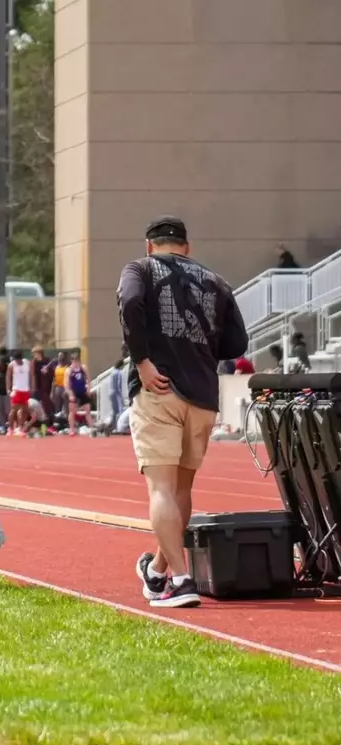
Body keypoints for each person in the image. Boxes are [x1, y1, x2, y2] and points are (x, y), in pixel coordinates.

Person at [118, 215, 247, 609]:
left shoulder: (140, 268)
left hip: (160, 388)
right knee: (181, 491)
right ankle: (158, 570)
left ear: (149, 245)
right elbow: (236, 342)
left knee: (160, 489)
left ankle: (180, 578)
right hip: (204, 397)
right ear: (186, 247)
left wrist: (142, 360)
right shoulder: (215, 280)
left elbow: (129, 302)